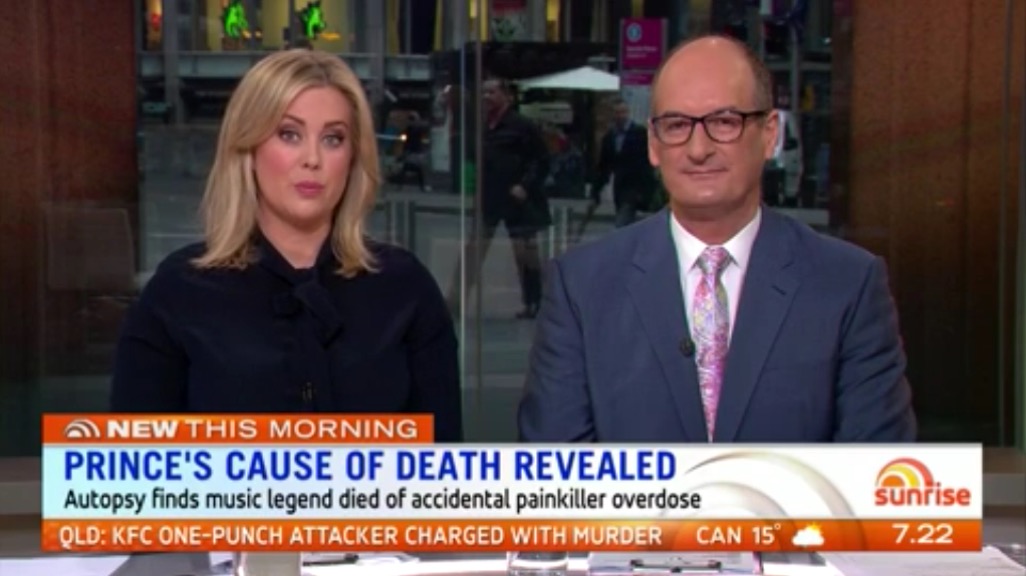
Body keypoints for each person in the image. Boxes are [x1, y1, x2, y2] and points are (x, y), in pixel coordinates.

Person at [518, 35, 916, 443]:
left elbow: (875, 466)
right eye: (676, 125)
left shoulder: (847, 283)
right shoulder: (582, 286)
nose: (698, 149)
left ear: (769, 134)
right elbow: (555, 465)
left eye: (724, 122)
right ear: (653, 144)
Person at [110, 50, 462, 442]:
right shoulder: (178, 292)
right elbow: (132, 468)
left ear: (352, 157)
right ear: (248, 148)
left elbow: (444, 461)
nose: (313, 159)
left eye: (333, 139)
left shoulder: (405, 289)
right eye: (289, 134)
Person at [447, 77, 550, 319]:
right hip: (490, 196)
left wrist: (525, 185)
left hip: (518, 199)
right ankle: (455, 301)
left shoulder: (521, 125)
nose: (486, 97)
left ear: (506, 96)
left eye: (491, 92)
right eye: (483, 93)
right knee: (474, 250)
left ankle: (534, 302)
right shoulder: (483, 125)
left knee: (525, 253)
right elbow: (473, 156)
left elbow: (541, 160)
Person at [590, 96, 656, 228]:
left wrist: (646, 188)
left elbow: (646, 162)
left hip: (634, 184)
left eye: (623, 112)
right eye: (617, 113)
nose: (620, 116)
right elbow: (604, 164)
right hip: (619, 185)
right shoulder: (610, 137)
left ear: (628, 113)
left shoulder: (639, 133)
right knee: (625, 217)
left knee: (623, 219)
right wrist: (596, 189)